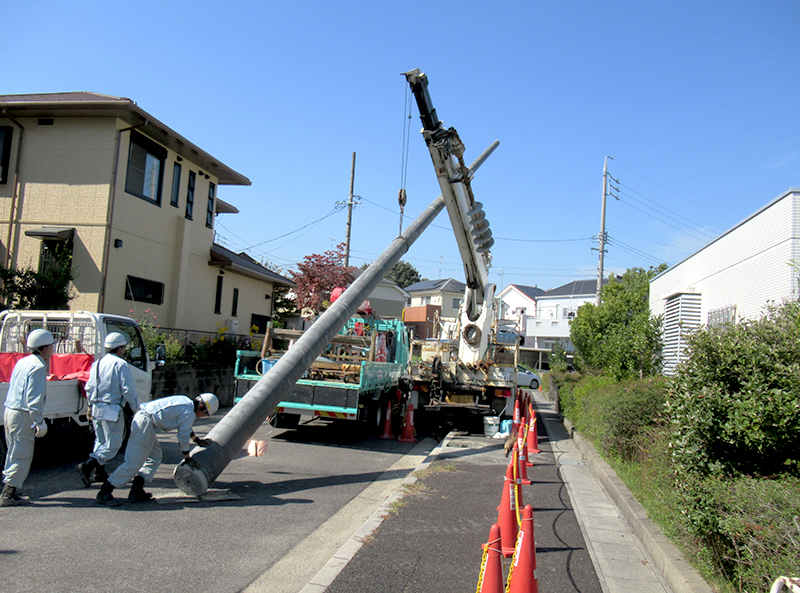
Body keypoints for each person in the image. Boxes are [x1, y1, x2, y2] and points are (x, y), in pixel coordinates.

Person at [96, 393, 219, 506]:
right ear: (202, 406)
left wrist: (197, 440)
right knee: (133, 462)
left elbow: (185, 427)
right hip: (146, 423)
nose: (203, 416)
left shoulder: (185, 402)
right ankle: (105, 492)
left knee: (154, 457)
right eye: (205, 414)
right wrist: (187, 458)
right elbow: (183, 435)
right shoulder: (189, 412)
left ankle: (137, 491)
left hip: (146, 422)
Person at [1, 329, 56, 507]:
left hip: (10, 410)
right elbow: (34, 399)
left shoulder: (23, 362)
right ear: (45, 348)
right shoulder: (39, 366)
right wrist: (39, 421)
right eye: (51, 346)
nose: (53, 349)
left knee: (13, 452)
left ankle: (11, 488)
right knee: (22, 455)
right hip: (23, 414)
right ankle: (9, 493)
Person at [77, 332, 139, 487]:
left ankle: (99, 472)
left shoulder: (97, 363)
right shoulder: (120, 364)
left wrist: (90, 406)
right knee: (113, 445)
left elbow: (89, 387)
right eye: (123, 347)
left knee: (100, 440)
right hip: (112, 408)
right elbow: (128, 390)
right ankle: (89, 464)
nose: (124, 350)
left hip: (97, 408)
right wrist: (137, 409)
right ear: (120, 348)